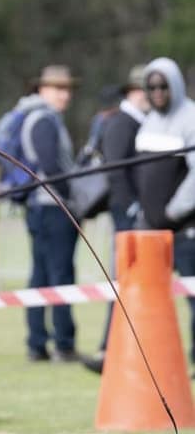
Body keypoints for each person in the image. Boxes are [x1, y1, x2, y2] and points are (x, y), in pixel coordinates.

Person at [82, 65, 148, 374]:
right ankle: (109, 346)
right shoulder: (123, 123)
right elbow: (117, 171)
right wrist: (132, 206)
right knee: (123, 276)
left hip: (134, 211)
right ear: (133, 93)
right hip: (127, 212)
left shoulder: (138, 121)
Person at [132, 57, 195, 377]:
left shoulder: (191, 118)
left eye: (163, 86)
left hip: (185, 229)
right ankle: (146, 360)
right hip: (149, 229)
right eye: (151, 86)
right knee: (143, 296)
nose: (157, 92)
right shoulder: (148, 123)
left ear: (176, 86)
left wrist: (174, 210)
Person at [19, 65, 81, 362]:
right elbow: (51, 166)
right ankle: (62, 343)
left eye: (67, 89)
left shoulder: (43, 117)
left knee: (42, 275)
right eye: (58, 88)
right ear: (41, 89)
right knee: (58, 275)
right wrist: (73, 198)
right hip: (52, 207)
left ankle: (38, 342)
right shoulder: (44, 119)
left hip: (43, 207)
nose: (65, 95)